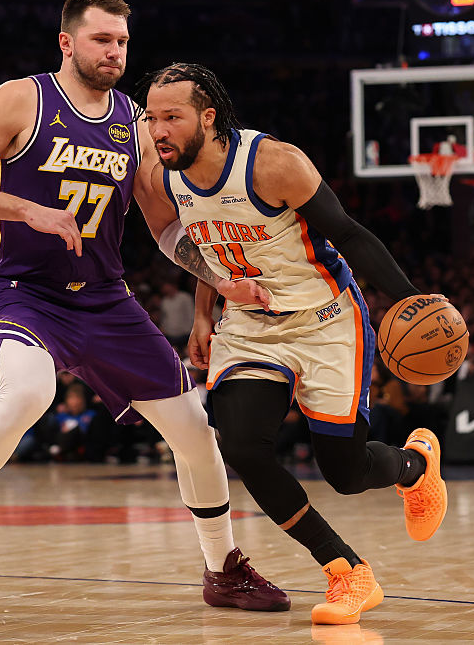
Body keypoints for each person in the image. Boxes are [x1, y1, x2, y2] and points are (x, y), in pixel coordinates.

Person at [0, 0, 287, 612]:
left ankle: (222, 568)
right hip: (23, 290)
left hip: (103, 298)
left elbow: (165, 227)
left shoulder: (135, 123)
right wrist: (28, 211)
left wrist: (220, 279)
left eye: (122, 41)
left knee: (195, 430)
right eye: (102, 39)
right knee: (29, 393)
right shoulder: (22, 99)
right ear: (67, 42)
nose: (115, 51)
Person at [137, 62, 449, 624]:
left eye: (172, 117)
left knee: (345, 473)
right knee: (242, 446)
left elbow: (348, 232)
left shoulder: (273, 163)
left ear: (207, 117)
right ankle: (346, 570)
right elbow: (196, 241)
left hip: (325, 319)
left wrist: (412, 299)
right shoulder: (163, 175)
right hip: (251, 325)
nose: (159, 130)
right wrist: (205, 311)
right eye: (152, 118)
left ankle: (414, 467)